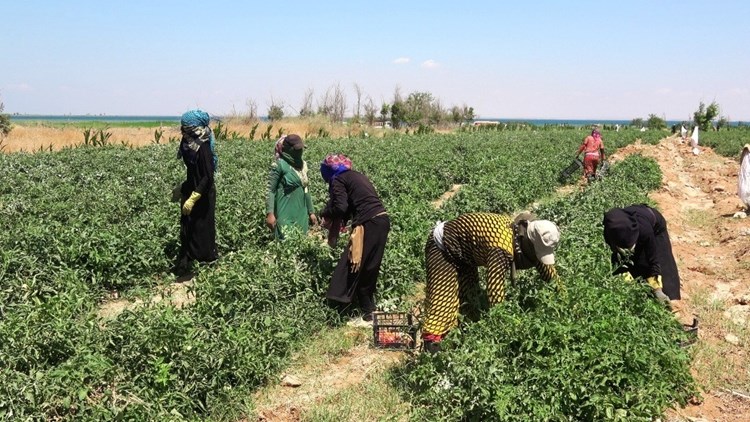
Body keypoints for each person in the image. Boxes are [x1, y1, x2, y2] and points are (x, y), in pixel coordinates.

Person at [421, 212, 560, 352]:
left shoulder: (525, 235)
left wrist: (563, 296)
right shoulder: (501, 248)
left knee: (469, 300)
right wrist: (504, 328)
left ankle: (458, 346)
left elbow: (548, 272)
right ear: (528, 243)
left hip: (465, 254)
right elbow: (495, 293)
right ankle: (432, 351)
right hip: (443, 247)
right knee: (442, 305)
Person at [319, 153, 390, 324]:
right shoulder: (356, 176)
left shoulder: (338, 180)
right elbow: (351, 203)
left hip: (369, 223)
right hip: (381, 219)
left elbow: (341, 206)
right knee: (370, 266)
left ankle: (338, 306)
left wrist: (325, 213)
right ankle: (368, 309)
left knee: (353, 263)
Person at [603, 204, 681, 304]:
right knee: (628, 266)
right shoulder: (611, 232)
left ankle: (667, 300)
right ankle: (637, 298)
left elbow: (653, 259)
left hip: (655, 227)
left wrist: (658, 290)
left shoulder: (645, 230)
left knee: (657, 265)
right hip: (630, 232)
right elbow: (617, 259)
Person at [174, 109, 218, 274]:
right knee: (187, 226)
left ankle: (208, 262)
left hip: (204, 192)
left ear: (196, 127)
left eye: (187, 126)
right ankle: (185, 261)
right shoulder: (187, 142)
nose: (183, 129)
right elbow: (192, 171)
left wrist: (194, 197)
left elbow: (207, 177)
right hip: (191, 187)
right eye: (183, 126)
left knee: (202, 229)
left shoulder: (203, 147)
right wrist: (184, 187)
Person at [266, 134, 316, 239]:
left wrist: (311, 212)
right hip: (285, 214)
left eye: (301, 149)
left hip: (301, 213)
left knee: (301, 242)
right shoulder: (280, 165)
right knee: (285, 242)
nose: (300, 152)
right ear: (288, 149)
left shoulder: (303, 165)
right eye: (297, 149)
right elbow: (270, 190)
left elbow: (306, 189)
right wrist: (270, 213)